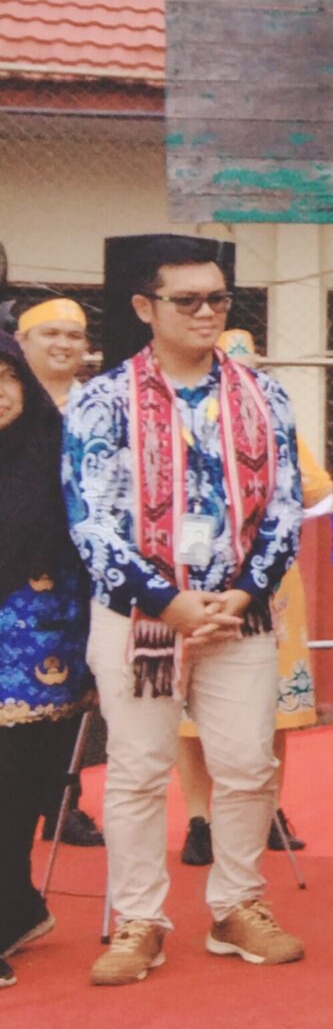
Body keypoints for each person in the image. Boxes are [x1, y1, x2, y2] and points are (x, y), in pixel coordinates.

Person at [65, 234, 306, 985]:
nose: (207, 312)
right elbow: (89, 519)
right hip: (141, 618)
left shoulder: (263, 394)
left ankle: (236, 906)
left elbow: (287, 506)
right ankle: (139, 920)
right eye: (187, 300)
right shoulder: (101, 400)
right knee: (136, 771)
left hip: (239, 614)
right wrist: (166, 601)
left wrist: (243, 593)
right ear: (145, 308)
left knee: (245, 763)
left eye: (219, 299)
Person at [174, 328, 326, 863]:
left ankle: (269, 810)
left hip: (267, 584)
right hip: (189, 579)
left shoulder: (272, 414)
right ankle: (199, 817)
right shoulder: (175, 415)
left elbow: (314, 484)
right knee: (188, 709)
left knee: (272, 705)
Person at [1, 333, 89, 988]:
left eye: (6, 377)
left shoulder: (55, 450)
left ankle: (16, 905)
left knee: (27, 786)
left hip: (42, 651)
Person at [12, 297, 102, 851]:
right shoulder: (10, 404)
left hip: (81, 574)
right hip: (15, 576)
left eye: (75, 335)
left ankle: (63, 802)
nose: (64, 345)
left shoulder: (98, 406)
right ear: (21, 343)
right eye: (50, 334)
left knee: (76, 691)